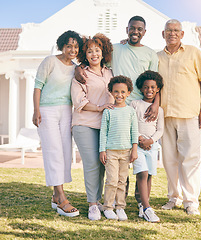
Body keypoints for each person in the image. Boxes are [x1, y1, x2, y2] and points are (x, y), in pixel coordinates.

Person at [75, 15, 159, 211]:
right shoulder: (117, 49)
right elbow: (94, 56)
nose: (135, 31)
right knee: (118, 156)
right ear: (126, 29)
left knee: (141, 156)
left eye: (139, 29)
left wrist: (155, 104)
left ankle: (141, 202)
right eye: (132, 28)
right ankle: (117, 201)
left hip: (141, 110)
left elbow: (156, 82)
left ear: (144, 32)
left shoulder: (150, 54)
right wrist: (78, 68)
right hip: (117, 110)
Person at [158, 19, 201, 215]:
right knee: (169, 159)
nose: (172, 33)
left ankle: (191, 201)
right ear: (163, 34)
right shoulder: (156, 57)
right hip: (165, 115)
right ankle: (174, 197)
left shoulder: (193, 52)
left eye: (176, 30)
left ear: (182, 34)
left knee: (190, 158)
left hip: (189, 114)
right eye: (168, 30)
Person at [32, 30, 83, 217]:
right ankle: (61, 198)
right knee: (53, 150)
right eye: (69, 45)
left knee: (64, 151)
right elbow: (38, 86)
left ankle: (56, 195)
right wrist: (36, 110)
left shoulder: (76, 67)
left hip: (66, 110)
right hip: (47, 110)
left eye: (76, 46)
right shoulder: (50, 61)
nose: (72, 49)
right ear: (62, 45)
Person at [71, 33, 114, 220]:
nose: (94, 54)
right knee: (91, 164)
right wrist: (99, 108)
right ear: (85, 54)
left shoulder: (110, 72)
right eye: (90, 51)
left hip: (105, 125)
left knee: (104, 164)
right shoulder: (81, 74)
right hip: (85, 123)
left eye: (97, 50)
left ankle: (102, 201)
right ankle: (92, 204)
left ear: (103, 52)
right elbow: (78, 101)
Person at [99, 76, 138, 221]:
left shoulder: (130, 111)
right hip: (111, 152)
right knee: (111, 180)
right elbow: (103, 132)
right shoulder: (108, 111)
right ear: (111, 92)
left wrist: (134, 149)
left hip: (126, 151)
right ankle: (108, 207)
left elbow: (134, 131)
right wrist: (102, 150)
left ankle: (120, 207)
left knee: (123, 180)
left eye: (123, 92)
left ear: (128, 93)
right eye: (116, 91)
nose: (119, 95)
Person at [130, 70, 164, 222]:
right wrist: (139, 139)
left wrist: (150, 141)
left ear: (157, 89)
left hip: (152, 147)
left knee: (149, 175)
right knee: (142, 173)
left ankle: (143, 205)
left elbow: (160, 130)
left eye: (152, 87)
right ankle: (147, 208)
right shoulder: (135, 104)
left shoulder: (160, 110)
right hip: (137, 146)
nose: (149, 90)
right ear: (141, 88)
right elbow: (131, 124)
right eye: (146, 87)